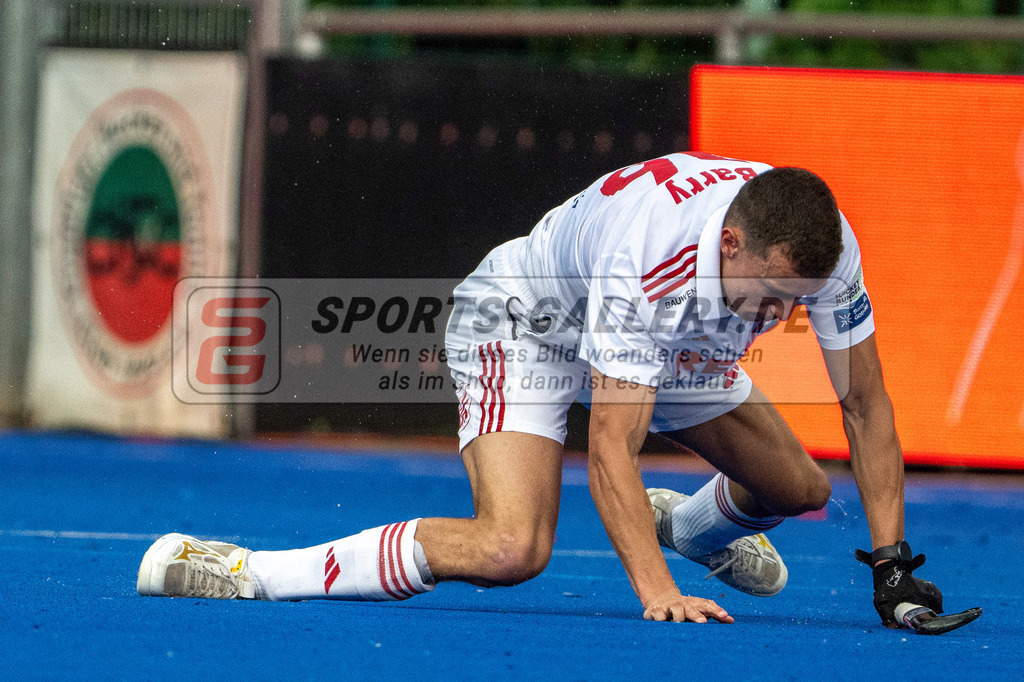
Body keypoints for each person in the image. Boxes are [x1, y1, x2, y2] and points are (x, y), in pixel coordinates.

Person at [138, 152, 944, 627]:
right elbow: (610, 449)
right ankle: (245, 569)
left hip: (672, 342)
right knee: (511, 547)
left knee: (798, 487)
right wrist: (657, 595)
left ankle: (694, 529)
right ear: (730, 241)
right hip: (525, 322)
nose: (782, 316)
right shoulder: (651, 262)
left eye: (796, 301)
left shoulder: (825, 254)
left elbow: (866, 405)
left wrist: (891, 564)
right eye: (772, 294)